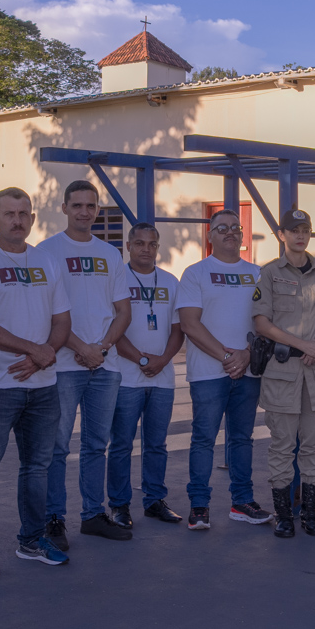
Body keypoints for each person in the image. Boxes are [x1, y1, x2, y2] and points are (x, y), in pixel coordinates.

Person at [0, 187, 72, 567]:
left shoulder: (46, 261)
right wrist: (35, 350)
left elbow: (62, 320)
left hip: (42, 386)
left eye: (24, 214)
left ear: (33, 219)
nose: (17, 220)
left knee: (37, 468)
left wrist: (45, 355)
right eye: (9, 214)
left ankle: (32, 540)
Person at [37, 180, 132, 543]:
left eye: (90, 206)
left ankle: (93, 514)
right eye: (76, 205)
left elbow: (123, 311)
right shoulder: (47, 252)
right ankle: (53, 519)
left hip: (105, 367)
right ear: (64, 208)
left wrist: (102, 349)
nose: (84, 212)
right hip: (63, 366)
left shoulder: (110, 254)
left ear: (98, 210)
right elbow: (45, 311)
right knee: (57, 447)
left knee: (96, 445)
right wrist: (80, 347)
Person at [251, 208, 315, 537]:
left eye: (305, 230)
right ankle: (283, 515)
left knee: (314, 446)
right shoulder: (269, 273)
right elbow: (261, 322)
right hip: (283, 372)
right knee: (282, 446)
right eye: (294, 230)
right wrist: (303, 344)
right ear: (282, 235)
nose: (300, 236)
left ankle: (310, 512)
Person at [177, 210, 264, 530]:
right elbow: (189, 324)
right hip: (208, 373)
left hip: (248, 371)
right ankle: (199, 506)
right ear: (210, 235)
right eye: (221, 227)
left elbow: (267, 322)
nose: (230, 232)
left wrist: (247, 356)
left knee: (242, 439)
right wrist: (228, 356)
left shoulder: (257, 273)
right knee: (203, 439)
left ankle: (242, 502)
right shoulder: (195, 273)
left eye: (235, 227)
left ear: (242, 235)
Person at [106, 222, 186, 528]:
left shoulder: (170, 281)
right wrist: (141, 359)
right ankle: (119, 505)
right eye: (139, 243)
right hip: (126, 377)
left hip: (162, 378)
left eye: (152, 244)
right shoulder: (117, 279)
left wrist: (163, 360)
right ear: (128, 246)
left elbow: (178, 329)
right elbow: (113, 328)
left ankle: (154, 500)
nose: (146, 249)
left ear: (158, 247)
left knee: (157, 444)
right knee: (121, 445)